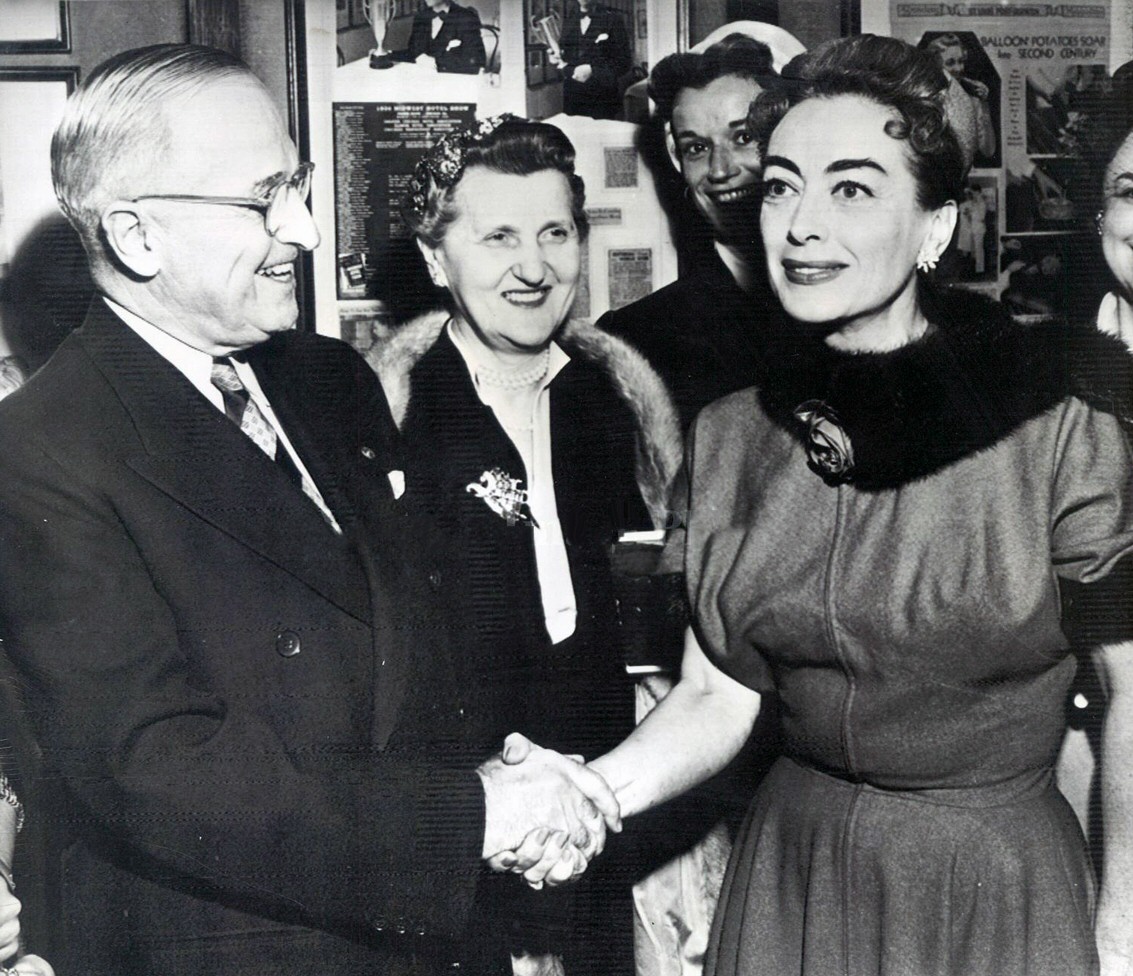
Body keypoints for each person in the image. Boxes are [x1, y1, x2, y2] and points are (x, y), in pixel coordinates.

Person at [511, 34, 1133, 975]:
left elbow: (1131, 696)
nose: (800, 225)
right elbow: (716, 695)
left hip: (989, 883)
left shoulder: (1052, 423)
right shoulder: (731, 435)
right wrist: (586, 796)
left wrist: (1122, 925)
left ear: (933, 229)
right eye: (782, 185)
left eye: (851, 189)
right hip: (793, 878)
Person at [0, 45, 619, 976]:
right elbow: (157, 766)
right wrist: (480, 814)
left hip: (427, 933)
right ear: (135, 236)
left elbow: (412, 653)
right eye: (263, 201)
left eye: (298, 185)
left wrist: (522, 778)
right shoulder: (40, 450)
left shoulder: (326, 379)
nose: (304, 229)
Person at [369, 115, 683, 976]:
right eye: (498, 236)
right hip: (450, 828)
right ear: (438, 261)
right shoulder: (382, 418)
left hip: (598, 816)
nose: (533, 266)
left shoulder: (617, 406)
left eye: (555, 234)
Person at [596, 31, 787, 429]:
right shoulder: (636, 339)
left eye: (744, 137)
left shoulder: (853, 306)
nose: (720, 170)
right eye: (696, 148)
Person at [551, 1, 631, 121]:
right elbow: (565, 58)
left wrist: (593, 70)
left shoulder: (613, 19)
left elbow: (624, 63)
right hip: (573, 99)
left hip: (603, 100)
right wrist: (556, 58)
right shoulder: (569, 21)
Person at [926, 33, 996, 162]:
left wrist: (984, 105)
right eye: (950, 63)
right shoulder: (925, 100)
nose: (958, 68)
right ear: (935, 65)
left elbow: (988, 151)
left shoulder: (973, 101)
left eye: (961, 62)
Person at [395, 0, 486, 75]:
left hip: (452, 84)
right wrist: (390, 55)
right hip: (422, 81)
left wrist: (437, 62)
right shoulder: (421, 17)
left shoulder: (466, 17)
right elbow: (412, 50)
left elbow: (477, 59)